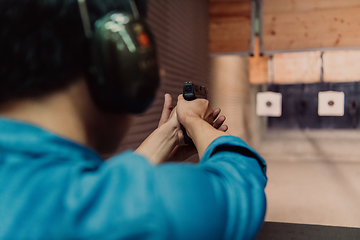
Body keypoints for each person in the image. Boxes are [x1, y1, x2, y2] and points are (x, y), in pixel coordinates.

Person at [0, 0, 267, 239]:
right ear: (114, 59)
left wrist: (170, 134)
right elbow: (240, 174)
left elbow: (105, 186)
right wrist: (194, 120)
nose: (159, 70)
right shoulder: (130, 211)